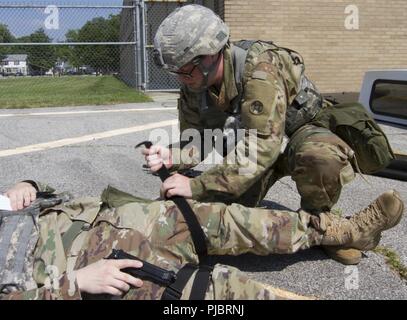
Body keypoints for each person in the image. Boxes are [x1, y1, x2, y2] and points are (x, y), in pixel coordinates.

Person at [142, 4, 396, 265]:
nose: (181, 79)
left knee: (320, 155)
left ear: (210, 54)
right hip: (256, 149)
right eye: (176, 72)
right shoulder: (194, 82)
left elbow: (262, 146)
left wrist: (196, 184)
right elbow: (198, 138)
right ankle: (324, 231)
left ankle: (323, 221)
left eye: (185, 69)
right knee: (221, 215)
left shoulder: (260, 69)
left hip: (297, 135)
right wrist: (174, 155)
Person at [0, 180, 403, 300]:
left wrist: (29, 184)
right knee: (209, 295)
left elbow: (47, 193)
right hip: (81, 270)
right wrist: (75, 286)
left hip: (106, 218)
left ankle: (345, 231)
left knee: (225, 221)